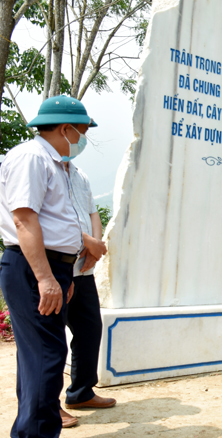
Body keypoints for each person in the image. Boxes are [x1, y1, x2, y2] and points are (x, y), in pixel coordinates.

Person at [0, 95, 101, 437]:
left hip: (52, 267)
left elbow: (58, 222)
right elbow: (24, 220)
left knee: (41, 356)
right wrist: (45, 277)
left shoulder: (56, 163)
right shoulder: (31, 158)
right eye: (82, 131)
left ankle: (32, 430)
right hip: (32, 267)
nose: (82, 139)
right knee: (47, 356)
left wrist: (63, 273)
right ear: (65, 128)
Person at [60, 160, 115, 425]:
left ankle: (81, 392)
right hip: (56, 265)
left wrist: (95, 246)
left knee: (90, 329)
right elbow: (50, 218)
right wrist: (89, 242)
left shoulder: (80, 174)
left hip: (83, 269)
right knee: (49, 339)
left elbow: (93, 212)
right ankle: (45, 405)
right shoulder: (43, 168)